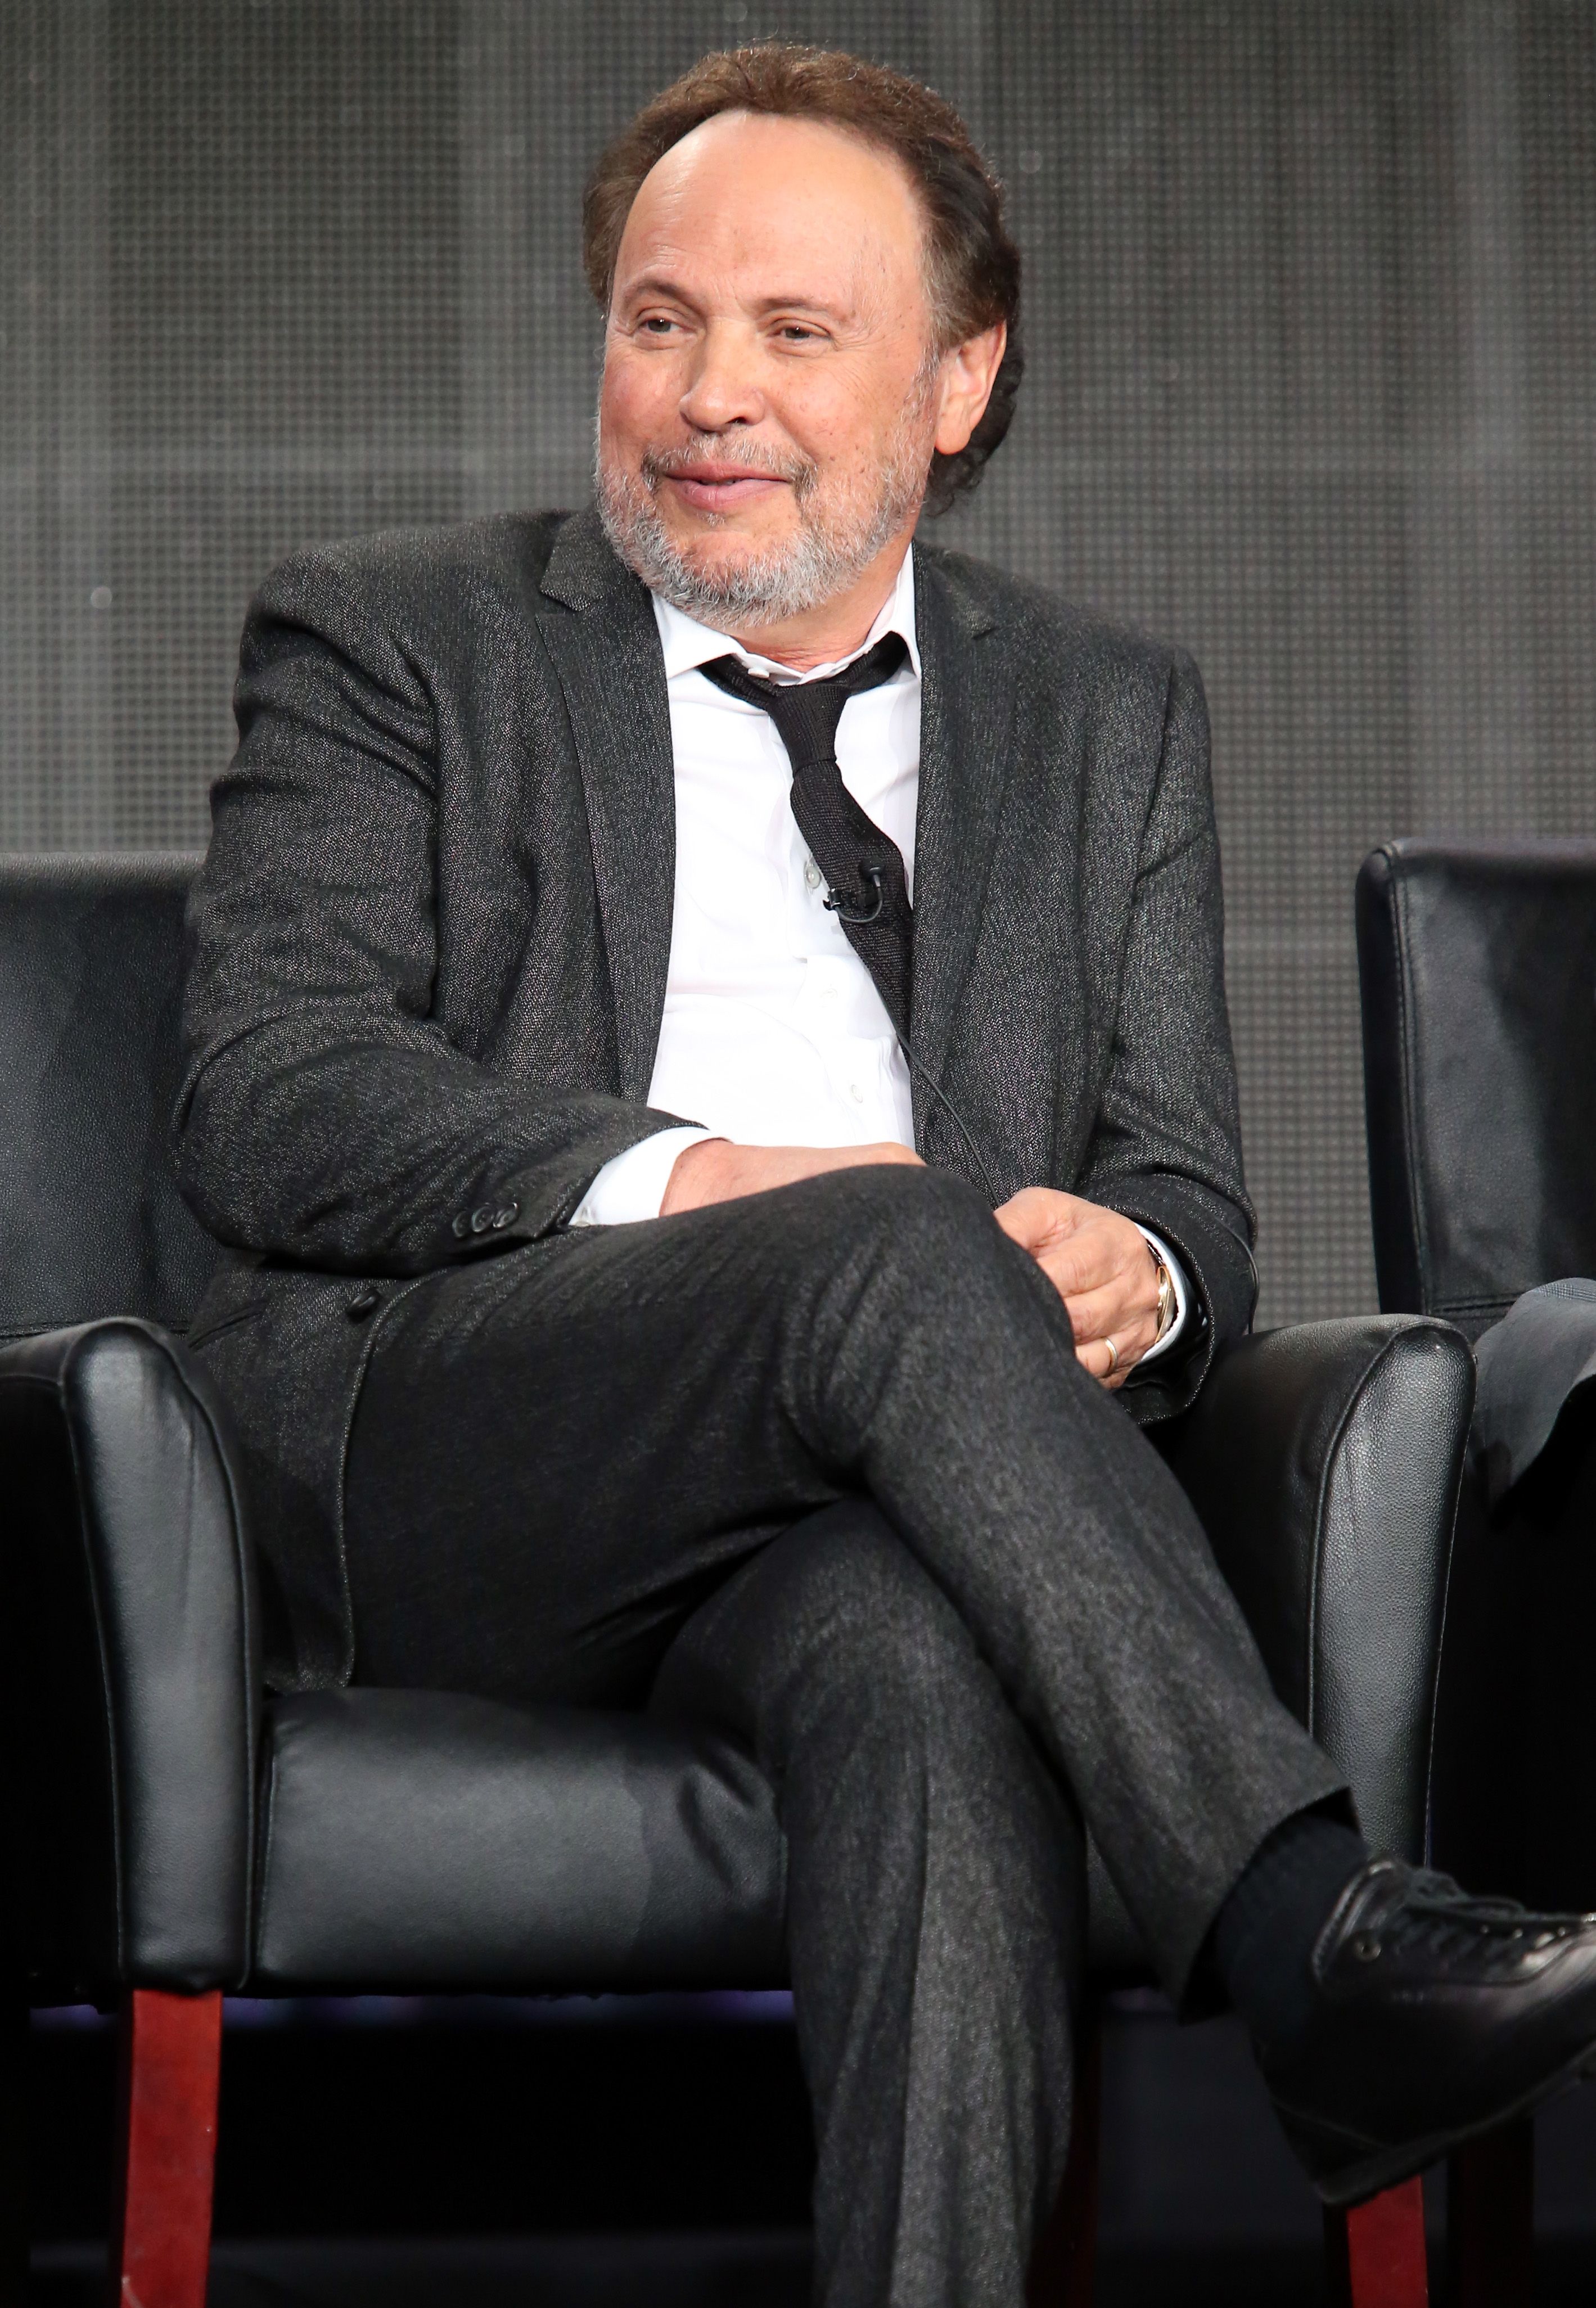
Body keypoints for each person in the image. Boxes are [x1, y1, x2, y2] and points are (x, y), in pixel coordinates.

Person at [174, 43, 1596, 2307]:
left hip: (881, 1506)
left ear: (957, 376)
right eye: (658, 322)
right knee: (883, 1231)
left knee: (920, 1678)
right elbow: (272, 1091)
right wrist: (707, 1180)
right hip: (458, 1459)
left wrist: (1136, 1268)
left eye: (788, 332)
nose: (704, 393)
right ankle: (1303, 1932)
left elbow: (1182, 1184)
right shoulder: (393, 639)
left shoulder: (1100, 712)